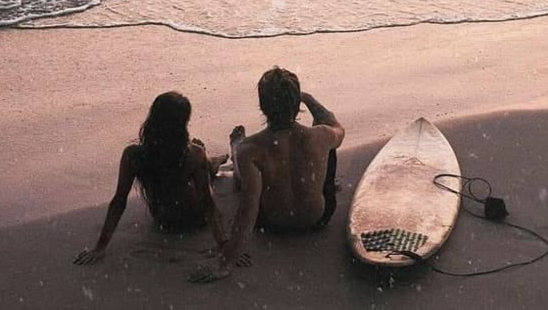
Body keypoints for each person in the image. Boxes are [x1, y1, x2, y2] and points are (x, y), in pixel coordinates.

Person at [190, 66, 345, 283]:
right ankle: (317, 180)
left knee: (246, 177)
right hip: (317, 219)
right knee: (328, 146)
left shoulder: (252, 148)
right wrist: (308, 98)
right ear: (296, 104)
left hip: (273, 223)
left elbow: (248, 208)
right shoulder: (321, 135)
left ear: (263, 106)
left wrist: (226, 263)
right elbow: (336, 126)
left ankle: (235, 149)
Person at [73, 91, 229, 265]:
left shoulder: (133, 155)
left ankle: (212, 162)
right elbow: (208, 204)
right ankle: (214, 162)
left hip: (163, 219)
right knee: (201, 163)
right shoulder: (193, 155)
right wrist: (224, 245)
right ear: (183, 124)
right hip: (196, 217)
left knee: (199, 159)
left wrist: (100, 247)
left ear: (152, 119)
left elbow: (119, 201)